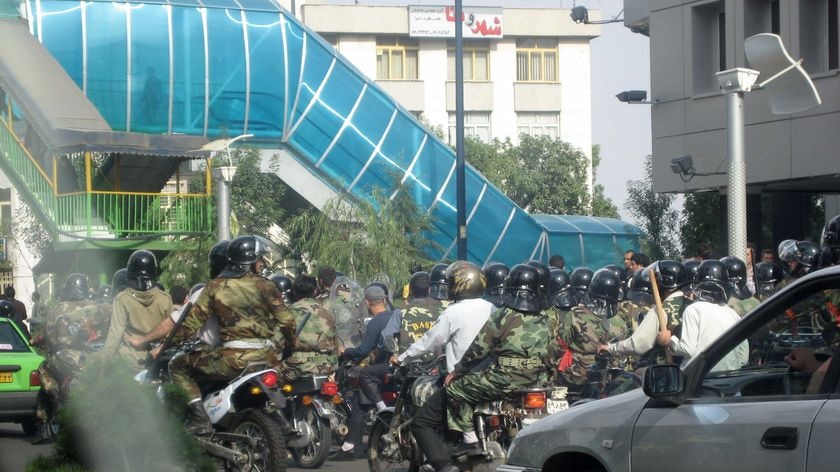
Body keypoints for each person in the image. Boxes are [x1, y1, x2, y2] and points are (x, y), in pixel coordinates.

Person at [411, 264, 557, 472]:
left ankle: (469, 440)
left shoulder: (502, 315)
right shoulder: (547, 319)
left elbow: (479, 349)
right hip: (536, 381)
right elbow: (553, 355)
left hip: (502, 379)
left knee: (455, 390)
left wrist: (457, 371)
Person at [167, 235, 297, 435]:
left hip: (233, 360)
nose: (262, 264)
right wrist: (292, 344)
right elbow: (287, 321)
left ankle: (200, 420)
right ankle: (282, 422)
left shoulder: (216, 286)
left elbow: (190, 324)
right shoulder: (268, 286)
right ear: (249, 261)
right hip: (267, 358)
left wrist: (169, 342)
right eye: (260, 260)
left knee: (176, 365)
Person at [127, 241, 230, 352]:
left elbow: (177, 324)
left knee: (175, 364)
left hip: (218, 357)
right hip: (247, 357)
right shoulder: (249, 290)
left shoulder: (206, 292)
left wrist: (143, 341)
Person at [334, 284, 398, 459]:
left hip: (383, 369)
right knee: (360, 400)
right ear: (385, 300)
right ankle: (349, 446)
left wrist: (346, 352)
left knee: (361, 381)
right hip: (397, 367)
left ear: (368, 302)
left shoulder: (376, 321)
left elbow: (363, 350)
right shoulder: (395, 315)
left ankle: (380, 408)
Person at [397, 261, 493, 371]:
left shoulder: (454, 311)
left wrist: (402, 358)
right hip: (488, 375)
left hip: (458, 378)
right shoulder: (493, 308)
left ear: (460, 285)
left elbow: (431, 341)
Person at [657, 259, 748, 371]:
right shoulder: (733, 314)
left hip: (699, 378)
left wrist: (669, 341)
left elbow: (687, 349)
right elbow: (744, 358)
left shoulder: (693, 310)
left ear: (697, 285)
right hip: (730, 377)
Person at [599, 260, 692, 366]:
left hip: (667, 373)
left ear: (662, 284)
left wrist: (610, 348)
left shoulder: (660, 311)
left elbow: (638, 345)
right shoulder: (694, 307)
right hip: (694, 371)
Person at [101, 250, 172, 371]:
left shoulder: (122, 299)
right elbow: (171, 332)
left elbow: (114, 336)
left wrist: (103, 365)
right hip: (157, 360)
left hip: (130, 362)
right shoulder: (165, 298)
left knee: (92, 360)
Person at [557, 269, 619, 389]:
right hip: (611, 378)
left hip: (577, 377)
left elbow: (559, 344)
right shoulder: (621, 320)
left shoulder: (575, 314)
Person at [280, 274, 338, 382]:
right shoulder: (327, 313)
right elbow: (335, 344)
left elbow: (277, 342)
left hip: (296, 366)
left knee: (270, 387)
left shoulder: (288, 313)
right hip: (325, 366)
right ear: (315, 291)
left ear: (294, 291)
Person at [396, 271, 447, 356]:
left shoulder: (400, 312)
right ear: (430, 289)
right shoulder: (444, 310)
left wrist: (395, 354)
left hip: (407, 361)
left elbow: (387, 336)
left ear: (410, 291)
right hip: (437, 361)